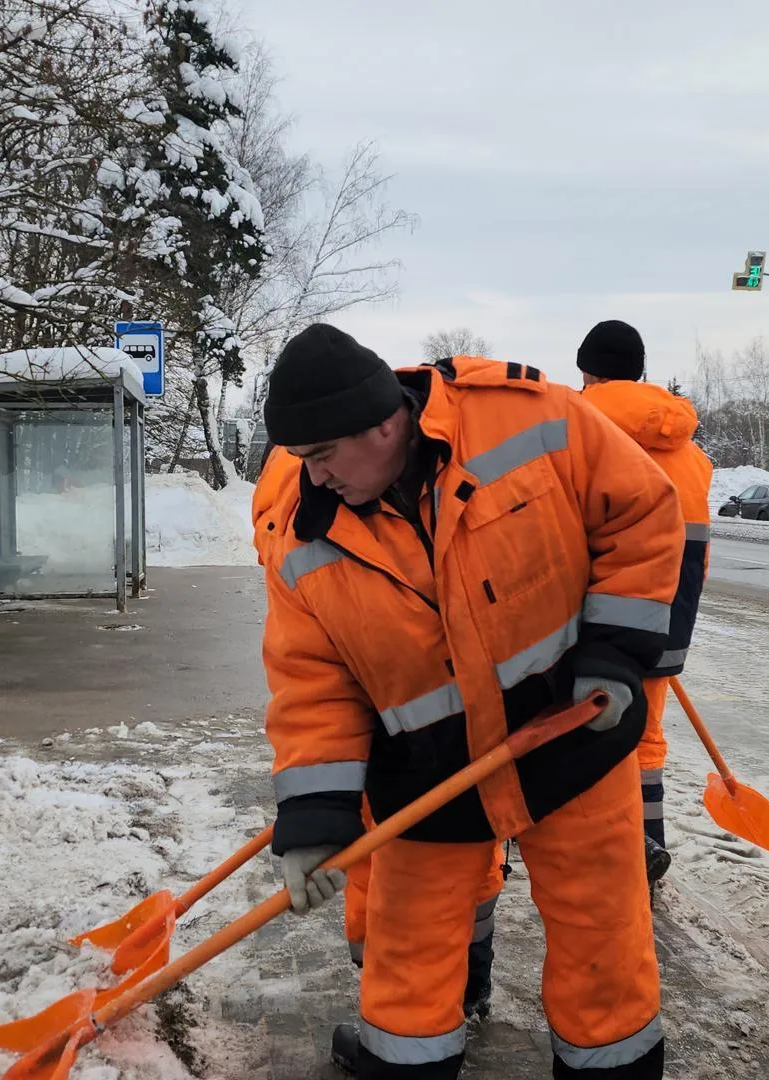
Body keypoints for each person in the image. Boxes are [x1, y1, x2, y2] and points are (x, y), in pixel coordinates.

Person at [258, 324, 683, 1078]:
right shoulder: (300, 528)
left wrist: (615, 653)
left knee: (603, 945)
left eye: (323, 456)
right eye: (302, 460)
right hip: (426, 775)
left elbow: (643, 513)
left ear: (385, 424)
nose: (314, 478)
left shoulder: (531, 420)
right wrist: (316, 818)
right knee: (409, 967)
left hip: (570, 738)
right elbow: (311, 679)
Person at [252, 445, 508, 1040]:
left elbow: (309, 656)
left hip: (381, 713)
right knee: (467, 845)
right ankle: (469, 985)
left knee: (378, 857)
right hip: (453, 705)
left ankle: (395, 1002)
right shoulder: (381, 465)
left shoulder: (284, 502)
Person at [572, 320, 714, 887]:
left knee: (583, 723)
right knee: (645, 733)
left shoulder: (577, 427)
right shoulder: (691, 450)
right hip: (670, 611)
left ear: (587, 369)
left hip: (597, 610)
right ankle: (644, 848)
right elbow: (698, 552)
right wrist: (666, 628)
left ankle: (598, 850)